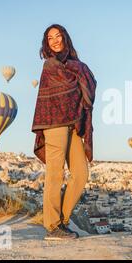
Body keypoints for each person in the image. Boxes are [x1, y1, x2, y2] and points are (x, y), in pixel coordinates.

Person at [32, 24, 96, 240]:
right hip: (54, 123)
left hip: (74, 124)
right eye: (50, 38)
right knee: (55, 174)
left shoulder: (78, 66)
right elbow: (53, 98)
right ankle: (52, 225)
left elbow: (87, 89)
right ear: (46, 44)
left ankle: (63, 221)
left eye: (58, 36)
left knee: (80, 174)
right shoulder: (50, 66)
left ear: (65, 38)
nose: (55, 40)